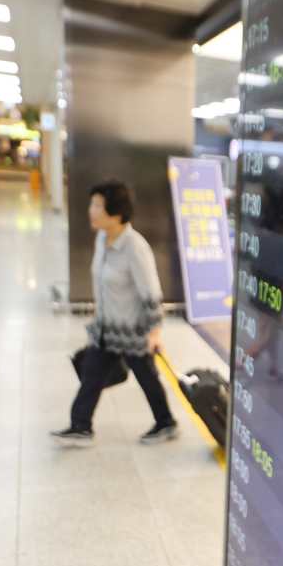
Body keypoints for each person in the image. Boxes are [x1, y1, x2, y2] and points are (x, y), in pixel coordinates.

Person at [51, 180, 178, 447]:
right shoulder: (101, 239)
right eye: (92, 204)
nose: (91, 210)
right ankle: (81, 426)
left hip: (133, 331)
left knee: (147, 379)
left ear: (116, 213)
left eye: (98, 205)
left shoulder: (135, 247)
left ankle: (166, 423)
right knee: (91, 375)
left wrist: (154, 333)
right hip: (107, 328)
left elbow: (152, 294)